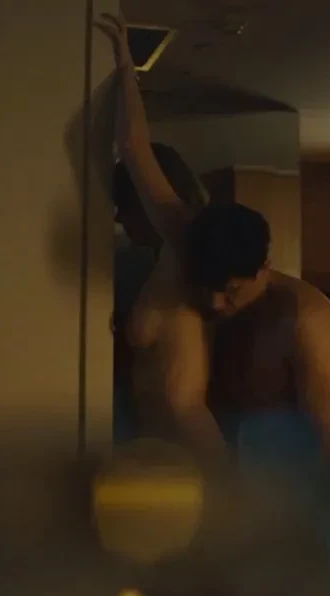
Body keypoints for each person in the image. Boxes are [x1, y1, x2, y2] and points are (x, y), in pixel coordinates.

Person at [95, 13, 330, 468]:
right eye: (209, 287)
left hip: (226, 474)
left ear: (264, 267)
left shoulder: (308, 318)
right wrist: (124, 64)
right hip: (160, 458)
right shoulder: (184, 234)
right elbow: (136, 150)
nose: (216, 303)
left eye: (231, 289)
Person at [112, 143, 209, 443]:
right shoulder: (145, 266)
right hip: (153, 440)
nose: (118, 218)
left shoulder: (187, 247)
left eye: (125, 206)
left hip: (187, 441)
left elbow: (135, 147)